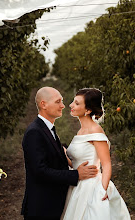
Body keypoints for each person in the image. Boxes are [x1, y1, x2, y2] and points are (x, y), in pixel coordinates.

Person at [21, 87, 98, 220]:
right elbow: (40, 171)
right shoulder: (34, 132)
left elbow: (55, 158)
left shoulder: (47, 128)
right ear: (43, 104)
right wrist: (76, 175)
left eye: (62, 101)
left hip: (52, 205)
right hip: (41, 209)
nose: (63, 106)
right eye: (58, 102)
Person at [61, 88, 131, 220]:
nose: (71, 105)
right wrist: (64, 154)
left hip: (91, 186)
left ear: (87, 110)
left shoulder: (95, 131)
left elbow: (107, 164)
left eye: (76, 103)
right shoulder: (81, 131)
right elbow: (77, 163)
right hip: (78, 185)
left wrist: (102, 190)